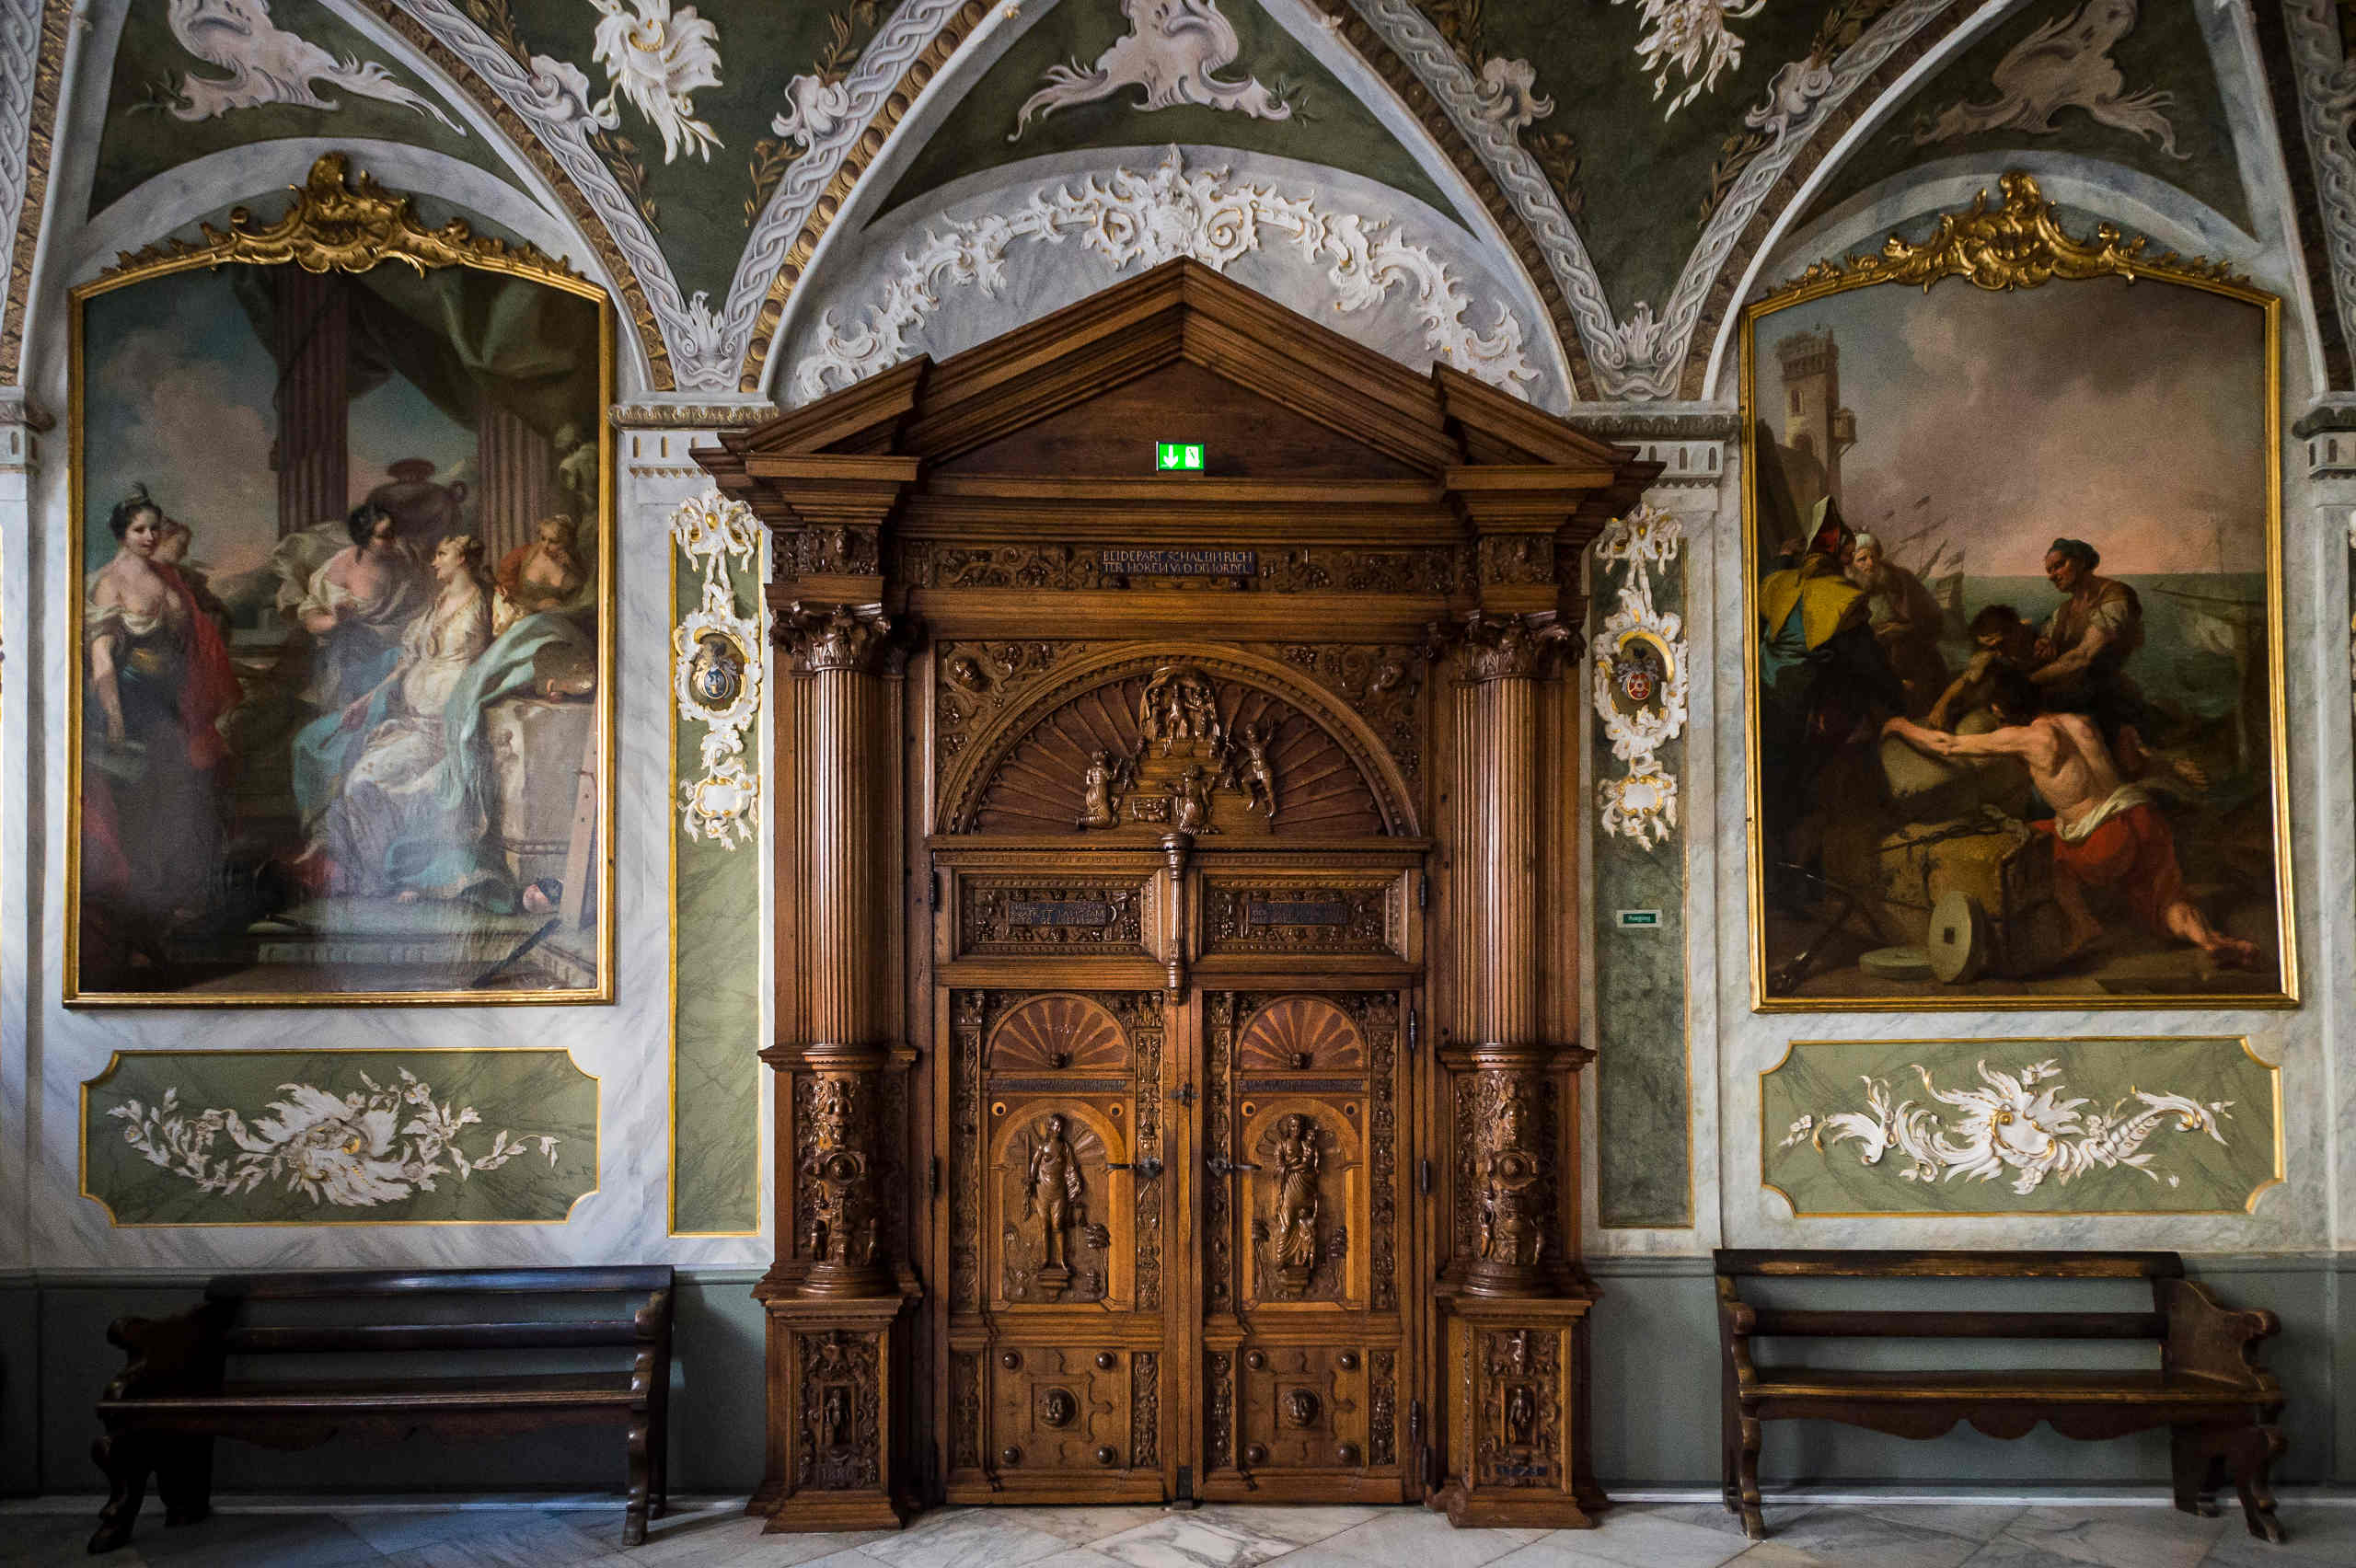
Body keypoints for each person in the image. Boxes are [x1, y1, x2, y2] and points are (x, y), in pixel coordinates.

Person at [1880, 667, 2258, 969]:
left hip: (2105, 834)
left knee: (2040, 852)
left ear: (1998, 710)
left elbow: (1947, 744)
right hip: (2142, 816)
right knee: (2167, 900)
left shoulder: (2029, 738)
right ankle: (2212, 941)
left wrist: (1898, 725)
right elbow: (2130, 765)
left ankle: (2081, 928)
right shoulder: (2079, 723)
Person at [295, 536, 499, 904]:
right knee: (357, 781)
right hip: (413, 724)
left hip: (444, 731)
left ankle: (383, 879)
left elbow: (499, 657)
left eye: (441, 553)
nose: (434, 562)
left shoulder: (487, 603)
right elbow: (408, 660)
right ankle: (375, 879)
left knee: (365, 783)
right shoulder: (436, 604)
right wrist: (368, 698)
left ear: (463, 559)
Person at [83, 488, 242, 943]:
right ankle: (153, 910)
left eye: (155, 527)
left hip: (176, 701)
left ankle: (188, 900)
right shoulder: (110, 583)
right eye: (139, 529)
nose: (150, 536)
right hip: (136, 704)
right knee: (162, 797)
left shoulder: (168, 578)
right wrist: (113, 717)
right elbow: (103, 660)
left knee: (194, 790)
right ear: (122, 533)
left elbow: (194, 641)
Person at [293, 502, 431, 713]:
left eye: (393, 533)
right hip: (360, 657)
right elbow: (310, 618)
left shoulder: (403, 556)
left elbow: (421, 600)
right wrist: (336, 620)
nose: (393, 541)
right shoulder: (340, 569)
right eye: (384, 536)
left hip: (404, 644)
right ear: (364, 538)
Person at [2031, 536, 2146, 735]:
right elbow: (2047, 643)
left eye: (2058, 566)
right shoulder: (2064, 610)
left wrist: (2028, 682)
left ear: (2081, 561)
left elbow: (2083, 656)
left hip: (2105, 699)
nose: (2052, 576)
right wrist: (2043, 644)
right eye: (2049, 571)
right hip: (2069, 693)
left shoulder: (2115, 596)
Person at [1845, 531, 1946, 716]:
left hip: (1910, 648)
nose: (1870, 563)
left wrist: (1905, 628)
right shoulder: (1846, 589)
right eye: (1862, 559)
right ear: (1852, 564)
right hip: (1872, 652)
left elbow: (1934, 617)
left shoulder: (1901, 579)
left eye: (1873, 557)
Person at [1926, 604, 2038, 731]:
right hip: (1999, 708)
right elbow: (1965, 679)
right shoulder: (1989, 656)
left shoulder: (2034, 641)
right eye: (1988, 645)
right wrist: (1941, 705)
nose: (1997, 651)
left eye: (1997, 643)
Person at [492, 513, 590, 634]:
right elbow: (508, 593)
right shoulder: (526, 554)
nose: (545, 545)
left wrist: (571, 566)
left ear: (566, 543)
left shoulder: (570, 569)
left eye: (553, 542)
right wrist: (536, 606)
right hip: (521, 620)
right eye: (543, 538)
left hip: (553, 625)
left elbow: (577, 605)